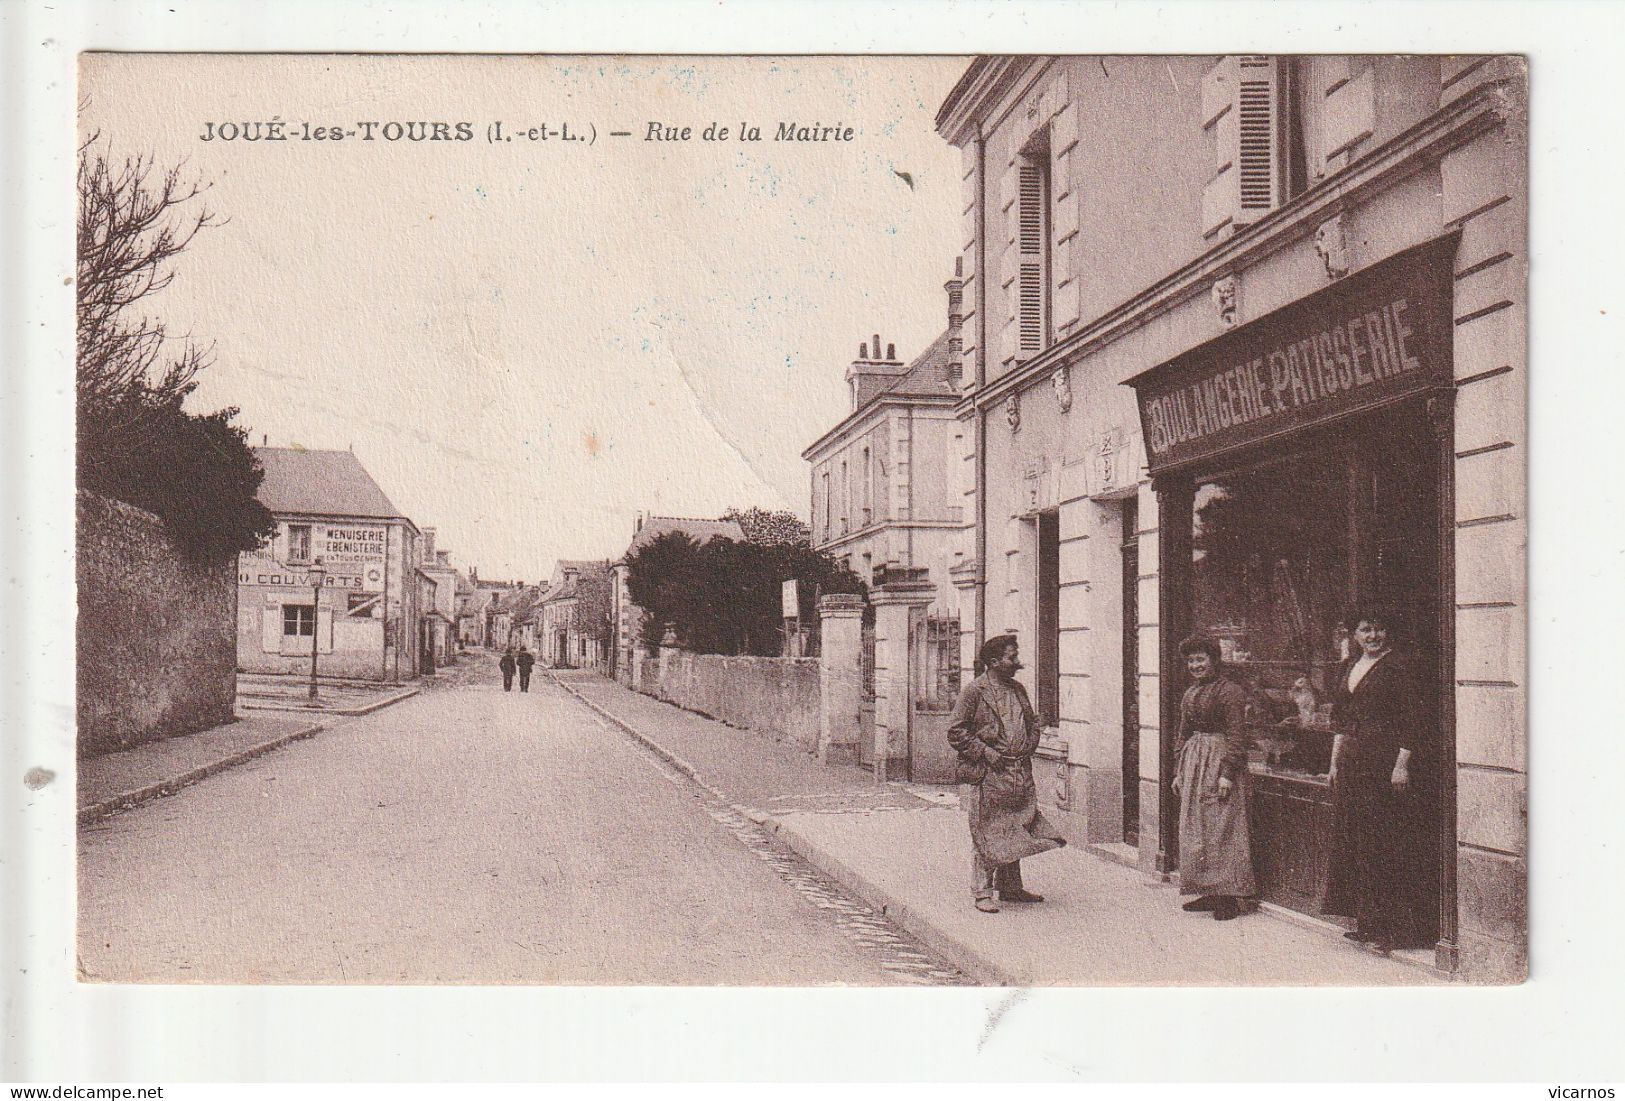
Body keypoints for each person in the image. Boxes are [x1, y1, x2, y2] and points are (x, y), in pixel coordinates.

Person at [1325, 607, 1432, 952]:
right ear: (1354, 634)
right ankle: (1367, 922)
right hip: (1353, 761)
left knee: (1384, 844)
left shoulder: (1399, 667)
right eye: (1365, 630)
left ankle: (1394, 930)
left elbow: (1413, 721)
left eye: (1379, 629)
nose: (1373, 636)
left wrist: (1402, 764)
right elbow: (1340, 720)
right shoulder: (1349, 667)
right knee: (1356, 841)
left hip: (1383, 761)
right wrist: (1333, 764)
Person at [945, 634, 1067, 914]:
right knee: (986, 831)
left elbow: (1031, 720)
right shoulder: (975, 691)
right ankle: (982, 891)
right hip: (989, 773)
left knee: (1014, 826)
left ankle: (1011, 887)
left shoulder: (1017, 689)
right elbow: (955, 731)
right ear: (993, 661)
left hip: (1018, 771)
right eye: (1011, 657)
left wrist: (1031, 742)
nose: (1016, 662)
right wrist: (987, 754)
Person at [1172, 635, 1257, 921]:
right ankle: (1207, 889)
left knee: (1223, 825)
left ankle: (1229, 897)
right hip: (1195, 763)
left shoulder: (1229, 691)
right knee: (1198, 827)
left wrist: (1227, 774)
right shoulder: (1190, 693)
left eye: (1201, 659)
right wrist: (1179, 771)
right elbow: (1182, 733)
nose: (1196, 665)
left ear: (1214, 660)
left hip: (1219, 762)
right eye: (1191, 661)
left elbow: (1237, 735)